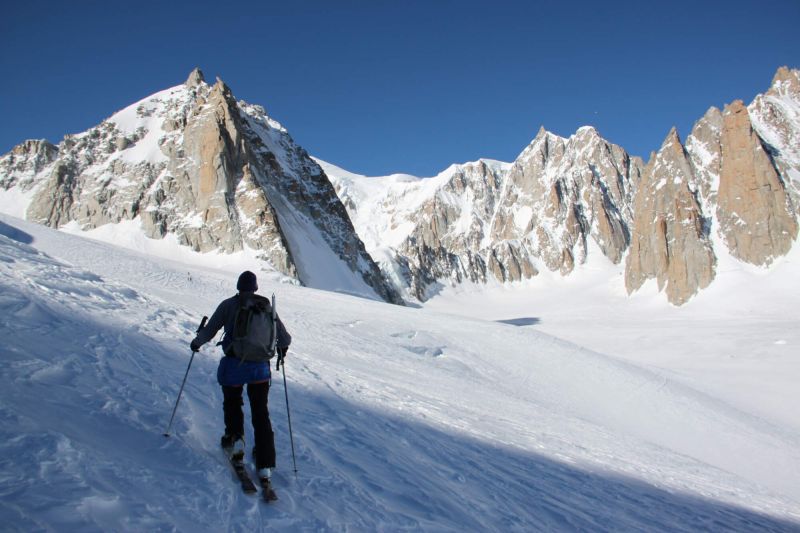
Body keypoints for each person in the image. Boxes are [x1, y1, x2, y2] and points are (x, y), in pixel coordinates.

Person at [190, 270, 291, 484]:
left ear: (238, 287)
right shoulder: (265, 306)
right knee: (261, 413)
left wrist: (196, 343)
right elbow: (284, 338)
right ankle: (265, 463)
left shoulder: (228, 305)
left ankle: (235, 441)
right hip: (260, 369)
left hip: (235, 364)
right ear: (255, 288)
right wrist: (281, 350)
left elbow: (211, 330)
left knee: (233, 402)